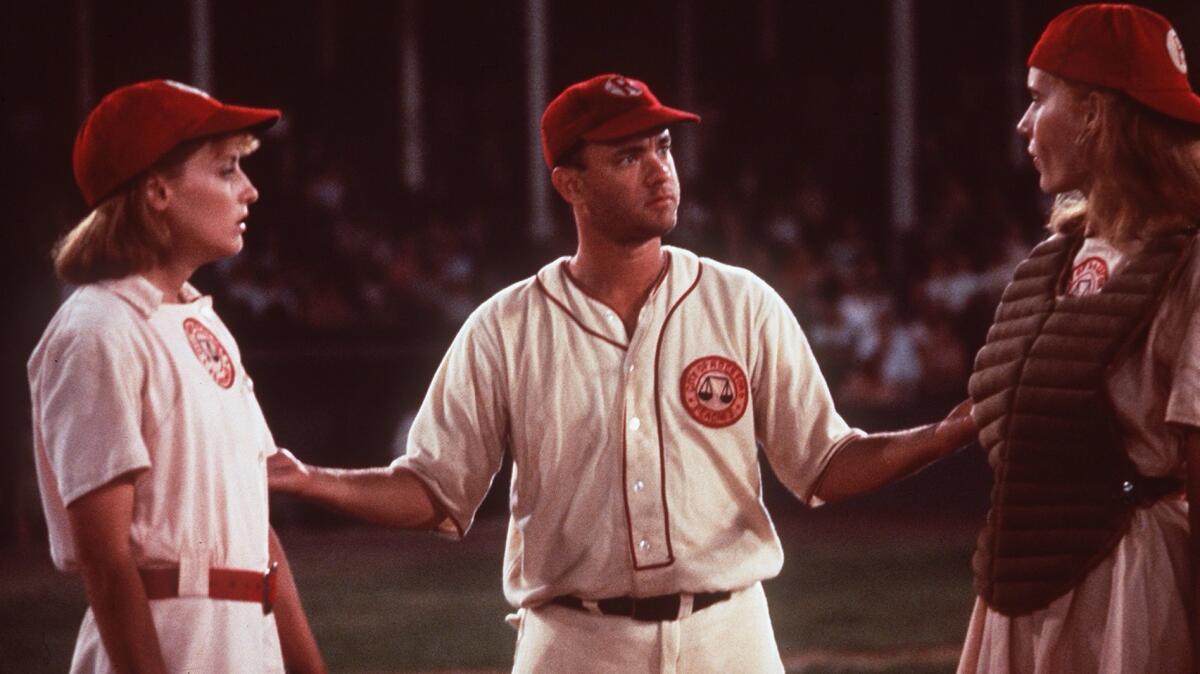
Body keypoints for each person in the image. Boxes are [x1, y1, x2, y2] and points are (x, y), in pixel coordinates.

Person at [269, 73, 976, 673]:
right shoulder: (506, 326)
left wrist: (939, 439)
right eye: (628, 155)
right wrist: (311, 481)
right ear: (570, 182)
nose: (660, 168)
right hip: (575, 644)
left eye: (664, 147)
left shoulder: (742, 302)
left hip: (729, 638)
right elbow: (432, 489)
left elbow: (825, 463)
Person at [28, 80, 326, 673]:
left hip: (247, 639)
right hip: (174, 640)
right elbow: (106, 562)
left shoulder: (204, 325)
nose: (249, 189)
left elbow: (254, 531)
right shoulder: (97, 329)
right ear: (157, 191)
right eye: (225, 170)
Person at [958, 5, 1200, 673]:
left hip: (1130, 583)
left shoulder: (1188, 260)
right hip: (1022, 580)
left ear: (1096, 113)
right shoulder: (1058, 254)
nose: (1023, 123)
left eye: (1038, 99)